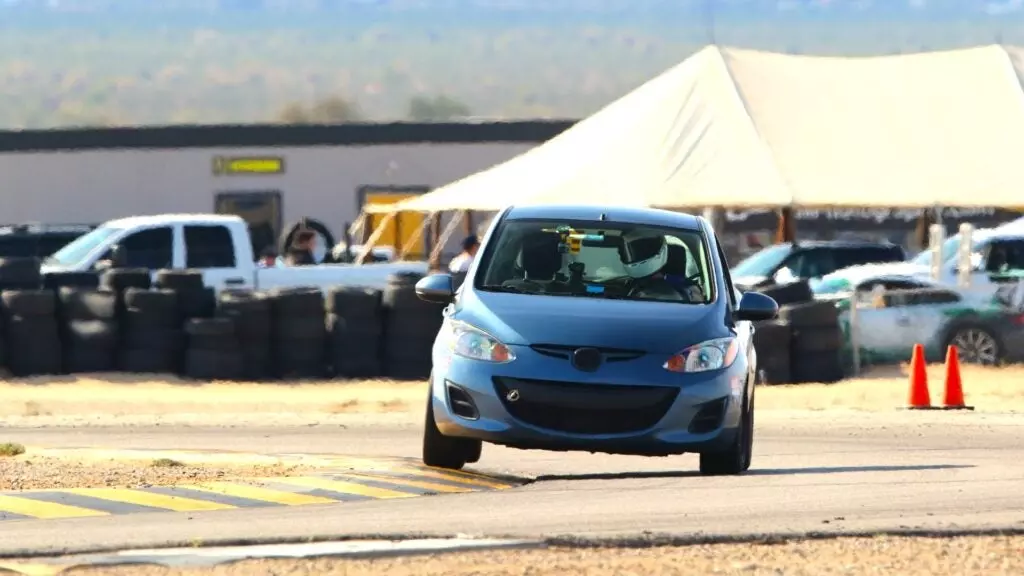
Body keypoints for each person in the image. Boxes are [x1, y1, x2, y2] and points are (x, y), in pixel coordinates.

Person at [619, 231, 702, 302]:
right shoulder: (635, 284)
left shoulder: (681, 290)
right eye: (626, 251)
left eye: (640, 249)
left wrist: (665, 277)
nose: (636, 255)